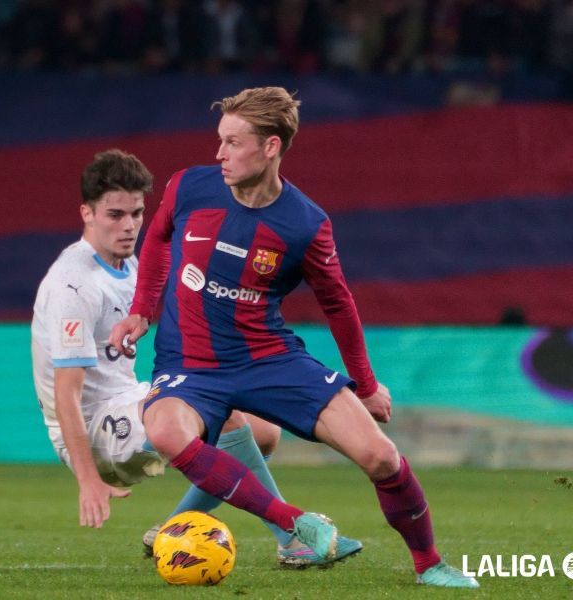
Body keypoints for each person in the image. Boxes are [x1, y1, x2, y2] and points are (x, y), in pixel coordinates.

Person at [110, 87, 479, 588]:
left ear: (271, 147)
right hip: (190, 363)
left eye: (233, 143)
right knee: (167, 430)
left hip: (268, 359)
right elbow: (156, 240)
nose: (219, 153)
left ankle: (430, 564)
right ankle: (296, 525)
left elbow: (338, 304)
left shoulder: (305, 224)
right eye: (219, 140)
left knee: (381, 456)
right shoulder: (189, 188)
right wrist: (140, 311)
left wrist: (366, 386)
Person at [31, 148, 357, 567]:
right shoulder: (73, 286)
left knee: (263, 432)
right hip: (94, 432)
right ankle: (292, 533)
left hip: (127, 397)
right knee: (229, 419)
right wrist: (88, 479)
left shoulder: (129, 264)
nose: (129, 226)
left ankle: (173, 527)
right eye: (115, 215)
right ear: (86, 213)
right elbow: (66, 396)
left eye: (136, 213)